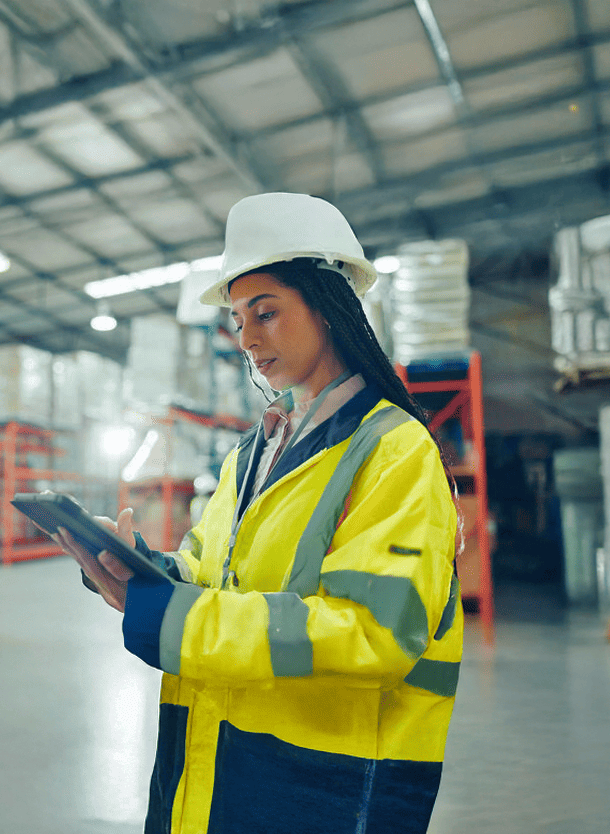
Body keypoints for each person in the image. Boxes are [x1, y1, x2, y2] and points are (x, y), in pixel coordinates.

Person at [54, 192, 462, 834]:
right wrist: (142, 573)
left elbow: (373, 632)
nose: (245, 338)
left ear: (328, 308)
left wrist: (172, 618)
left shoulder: (394, 451)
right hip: (219, 764)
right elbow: (212, 573)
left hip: (323, 785)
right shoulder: (255, 453)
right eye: (239, 318)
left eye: (265, 313)